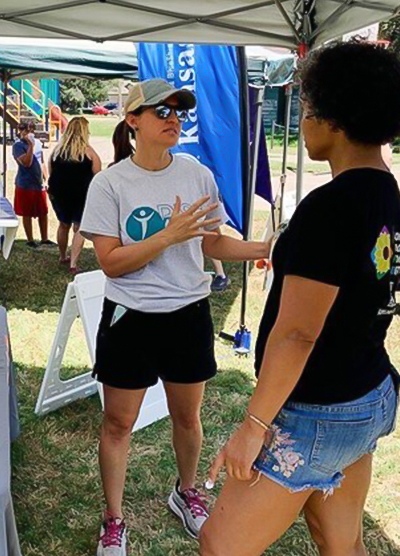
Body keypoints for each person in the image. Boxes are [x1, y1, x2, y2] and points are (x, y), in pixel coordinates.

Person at [199, 41, 400, 556]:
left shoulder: (331, 205)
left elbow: (298, 333)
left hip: (320, 408)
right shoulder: (387, 193)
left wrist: (253, 427)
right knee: (340, 542)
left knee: (218, 545)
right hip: (368, 393)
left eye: (308, 109)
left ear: (334, 118)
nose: (303, 122)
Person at [78, 78, 271, 555]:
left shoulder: (195, 174)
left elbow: (211, 243)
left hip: (188, 313)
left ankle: (186, 492)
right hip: (130, 316)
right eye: (160, 111)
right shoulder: (109, 184)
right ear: (132, 122)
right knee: (118, 425)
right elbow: (110, 262)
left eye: (177, 111)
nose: (172, 118)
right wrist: (166, 235)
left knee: (188, 417)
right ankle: (114, 520)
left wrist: (264, 248)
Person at [48, 116, 101, 274]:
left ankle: (62, 255)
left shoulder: (57, 151)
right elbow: (98, 176)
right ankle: (73, 263)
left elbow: (51, 172)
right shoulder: (89, 152)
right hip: (82, 195)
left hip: (59, 194)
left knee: (63, 224)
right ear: (85, 132)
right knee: (79, 227)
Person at [13, 121, 53, 248]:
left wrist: (46, 179)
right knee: (27, 212)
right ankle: (30, 240)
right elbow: (27, 163)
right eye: (24, 130)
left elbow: (41, 162)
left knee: (43, 212)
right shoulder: (18, 146)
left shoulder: (38, 144)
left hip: (38, 183)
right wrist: (30, 145)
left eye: (30, 130)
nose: (27, 133)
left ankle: (44, 238)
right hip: (25, 184)